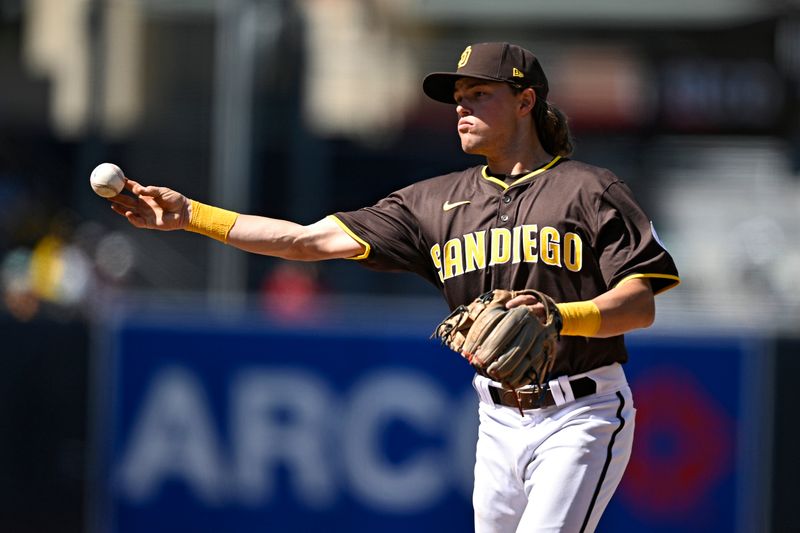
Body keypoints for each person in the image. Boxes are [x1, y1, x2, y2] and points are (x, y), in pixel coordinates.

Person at [108, 42, 679, 533]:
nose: (462, 106)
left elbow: (640, 302)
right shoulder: (431, 202)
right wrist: (191, 215)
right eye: (458, 97)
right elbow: (306, 242)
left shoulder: (589, 190)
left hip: (582, 411)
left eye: (480, 93)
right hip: (497, 420)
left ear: (526, 100)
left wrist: (561, 317)